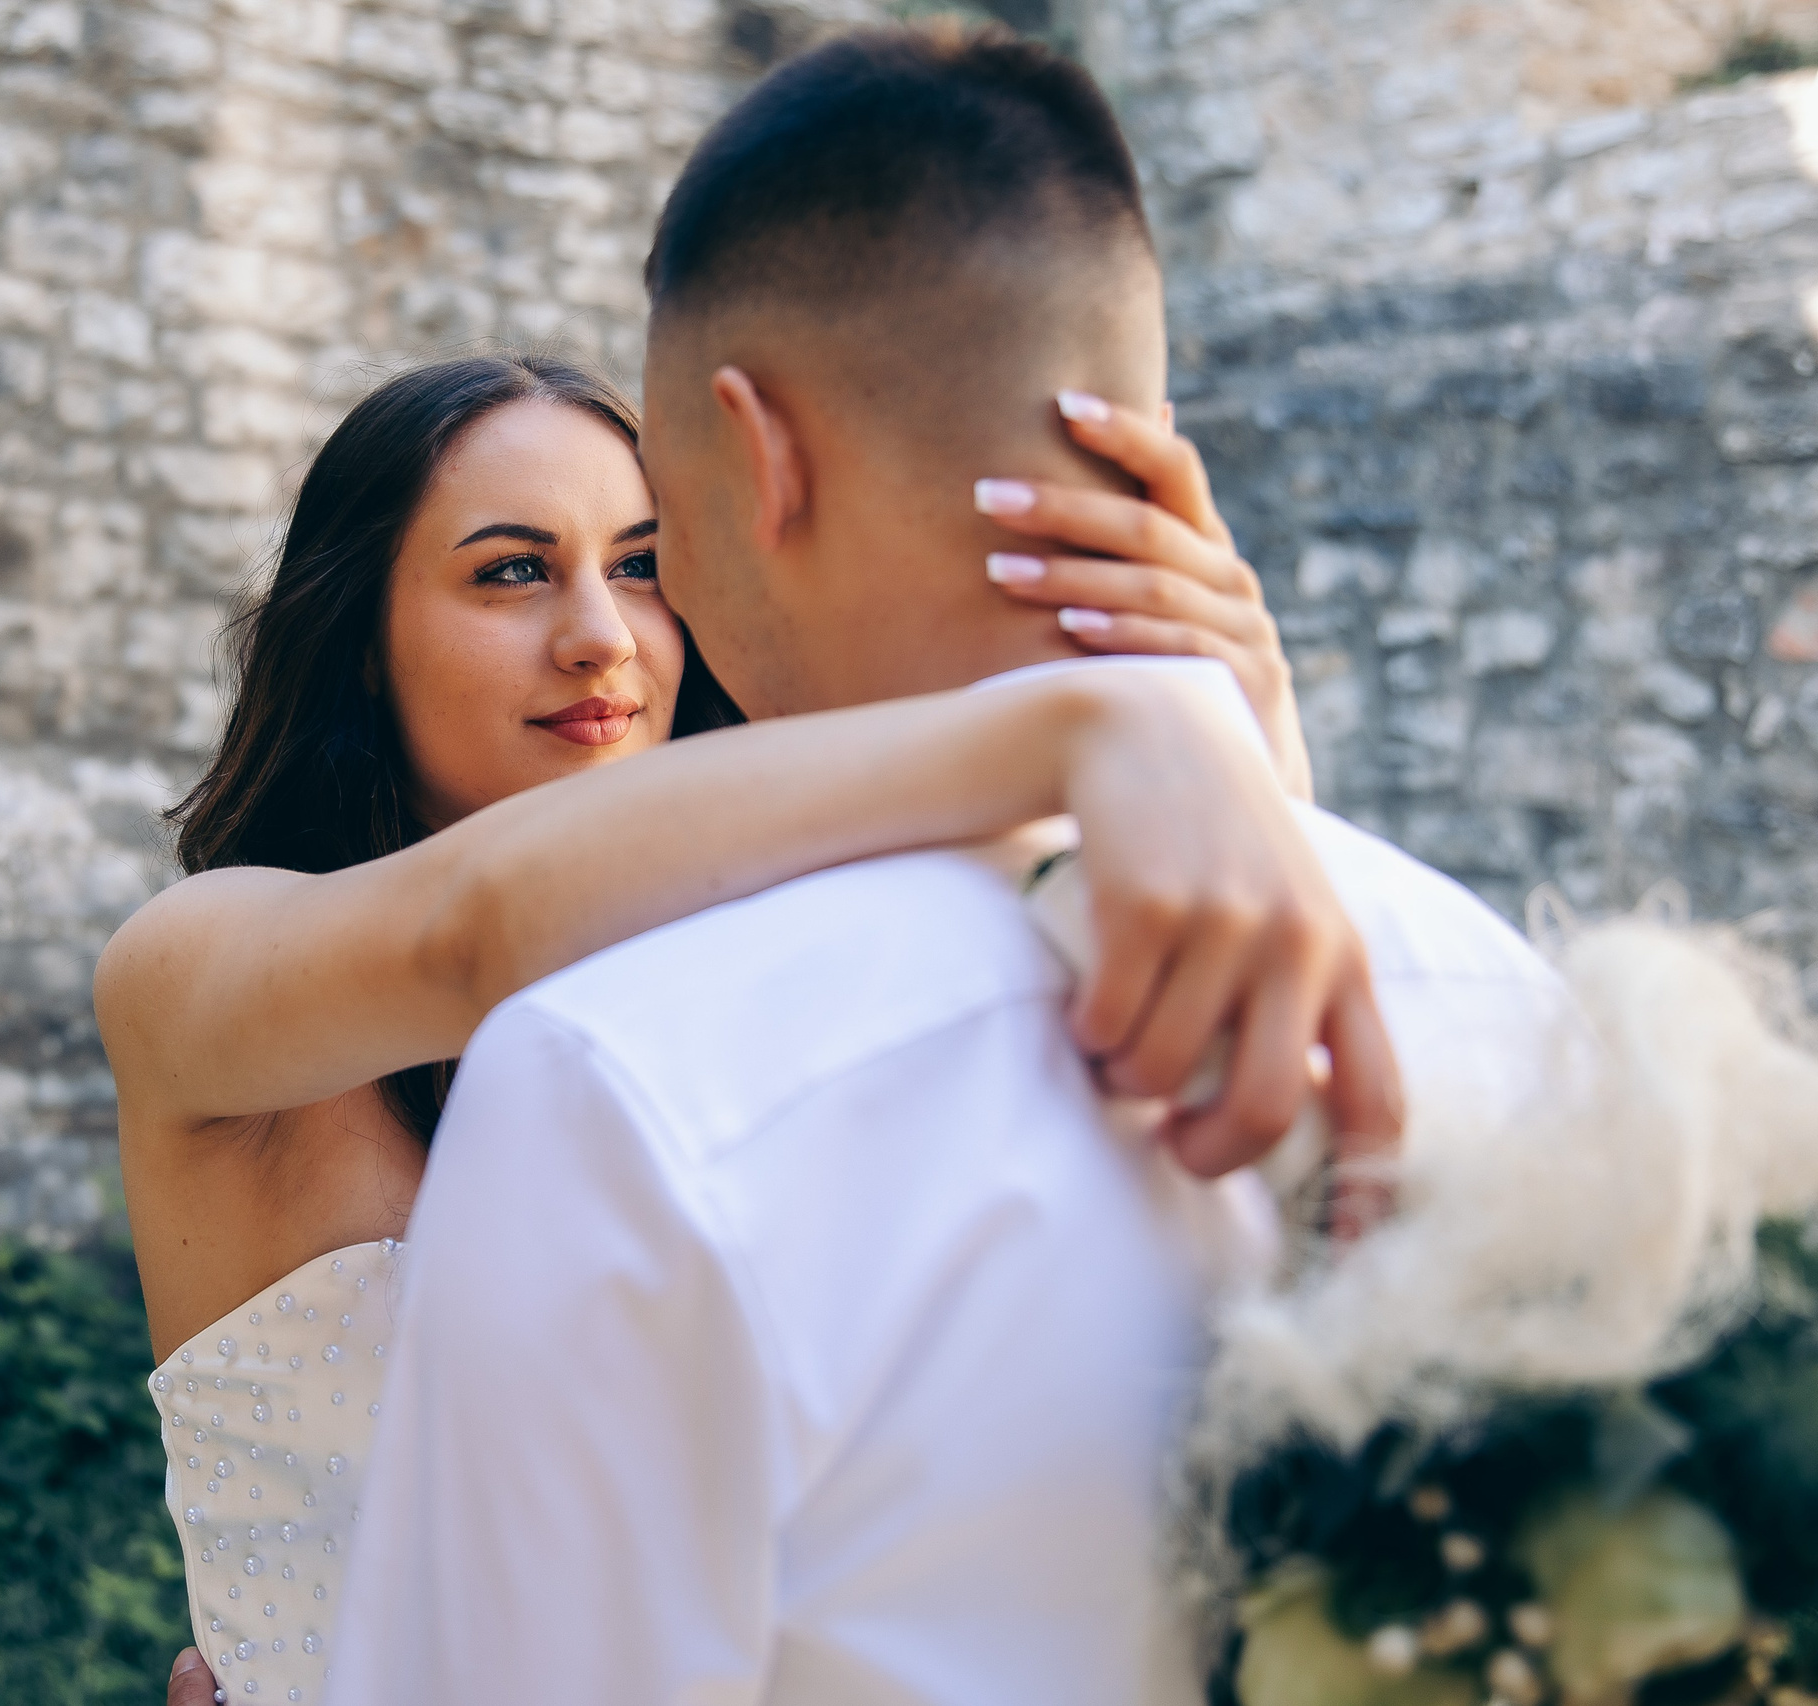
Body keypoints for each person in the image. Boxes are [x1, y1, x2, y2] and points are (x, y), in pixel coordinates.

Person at [326, 26, 1575, 1706]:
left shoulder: (632, 1087)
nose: (632, 617)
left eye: (648, 540)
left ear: (758, 454)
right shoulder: (1514, 1007)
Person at [101, 343, 1388, 1704]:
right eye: (513, 569)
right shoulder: (194, 967)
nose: (600, 632)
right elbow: (467, 931)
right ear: (362, 643)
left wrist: (1249, 769)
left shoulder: (774, 975)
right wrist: (1083, 728)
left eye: (643, 563)